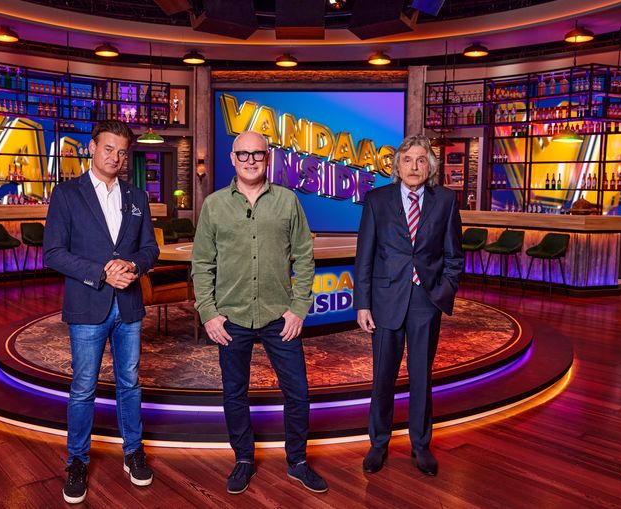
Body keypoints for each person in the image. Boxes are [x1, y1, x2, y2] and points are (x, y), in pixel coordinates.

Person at [191, 130, 327, 495]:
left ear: (268, 159)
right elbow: (201, 264)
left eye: (258, 154)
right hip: (230, 318)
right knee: (234, 393)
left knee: (297, 392)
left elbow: (305, 256)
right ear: (232, 159)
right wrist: (208, 312)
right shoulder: (214, 205)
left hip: (280, 317)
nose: (250, 160)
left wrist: (299, 308)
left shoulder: (288, 201)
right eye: (243, 154)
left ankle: (297, 461)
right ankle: (243, 459)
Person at [44, 120, 159, 503]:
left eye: (122, 152)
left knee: (130, 383)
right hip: (87, 303)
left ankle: (133, 452)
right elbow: (53, 253)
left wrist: (133, 266)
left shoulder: (137, 197)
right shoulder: (66, 194)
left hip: (129, 306)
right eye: (109, 149)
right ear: (92, 148)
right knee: (83, 388)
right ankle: (77, 461)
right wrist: (102, 273)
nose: (116, 157)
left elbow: (150, 250)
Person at [354, 134, 463, 477]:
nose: (414, 166)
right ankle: (378, 443)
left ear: (430, 166)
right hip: (385, 301)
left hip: (425, 302)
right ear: (397, 166)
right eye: (407, 160)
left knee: (421, 377)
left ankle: (421, 445)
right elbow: (365, 256)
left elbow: (454, 256)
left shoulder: (446, 201)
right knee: (382, 377)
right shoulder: (377, 200)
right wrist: (362, 304)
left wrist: (442, 292)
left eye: (420, 160)